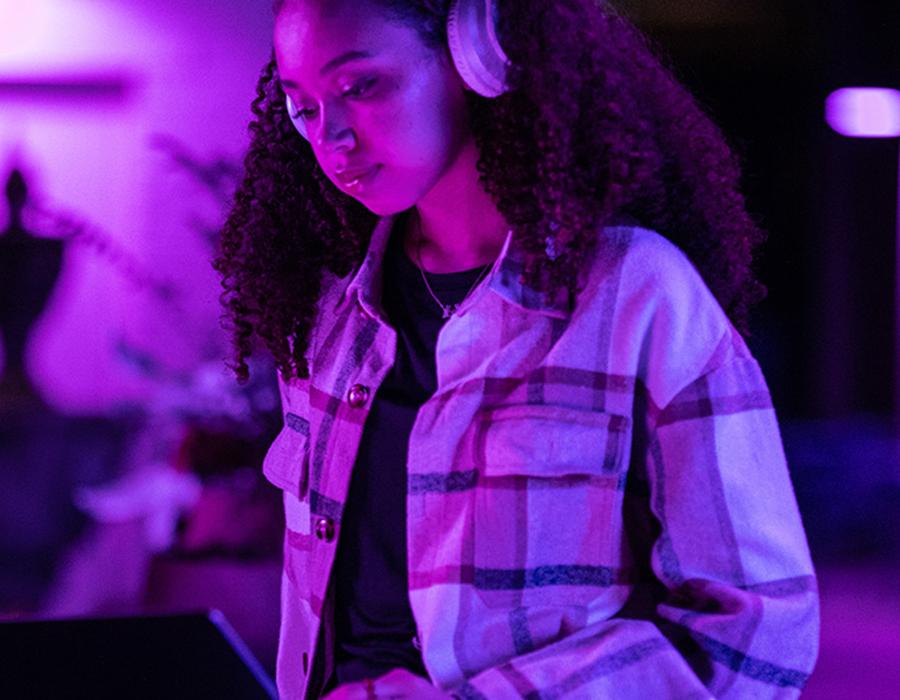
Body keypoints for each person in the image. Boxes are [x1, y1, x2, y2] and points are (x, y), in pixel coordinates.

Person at [214, 0, 819, 697]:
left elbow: (758, 635)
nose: (333, 136)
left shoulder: (635, 294)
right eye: (304, 106)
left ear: (476, 59)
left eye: (360, 86)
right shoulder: (326, 311)